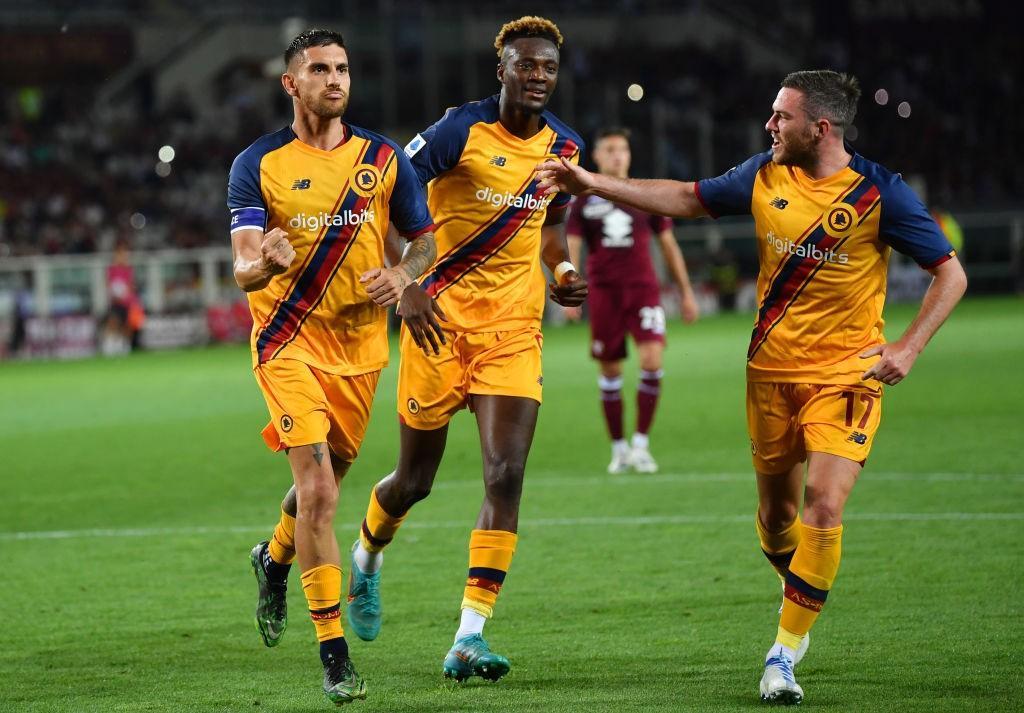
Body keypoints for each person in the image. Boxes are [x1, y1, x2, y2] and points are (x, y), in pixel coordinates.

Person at [537, 69, 967, 705]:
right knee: (776, 519)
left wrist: (908, 347)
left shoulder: (882, 195)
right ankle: (801, 591)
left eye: (781, 117)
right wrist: (592, 181)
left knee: (824, 501)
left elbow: (949, 275)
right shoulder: (763, 176)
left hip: (845, 377)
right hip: (769, 375)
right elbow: (684, 197)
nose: (770, 125)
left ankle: (783, 654)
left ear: (820, 128)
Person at [343, 15, 588, 684]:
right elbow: (384, 193)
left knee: (505, 473)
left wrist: (560, 271)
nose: (537, 75)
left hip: (512, 333)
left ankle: (468, 636)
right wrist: (406, 282)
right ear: (501, 69)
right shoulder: (460, 130)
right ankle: (366, 557)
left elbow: (552, 226)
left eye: (547, 67)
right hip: (436, 327)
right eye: (525, 64)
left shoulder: (566, 146)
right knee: (414, 481)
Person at [227, 29, 441, 706]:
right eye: (319, 69)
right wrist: (266, 262)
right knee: (320, 494)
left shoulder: (382, 158)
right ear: (291, 83)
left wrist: (403, 275)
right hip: (287, 342)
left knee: (318, 488)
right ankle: (334, 654)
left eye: (343, 68)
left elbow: (425, 241)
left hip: (361, 353)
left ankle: (273, 555)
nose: (335, 78)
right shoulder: (256, 163)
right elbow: (241, 266)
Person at [565, 127, 699, 474]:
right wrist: (570, 289)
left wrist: (685, 292)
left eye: (622, 149)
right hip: (605, 294)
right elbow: (574, 246)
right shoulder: (582, 199)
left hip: (643, 291)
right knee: (610, 371)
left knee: (652, 361)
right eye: (609, 150)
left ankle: (641, 444)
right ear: (595, 157)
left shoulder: (646, 194)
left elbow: (669, 245)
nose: (617, 156)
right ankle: (618, 448)